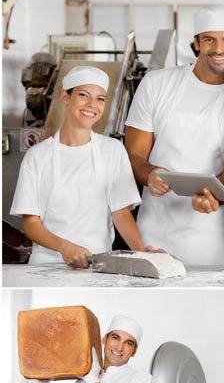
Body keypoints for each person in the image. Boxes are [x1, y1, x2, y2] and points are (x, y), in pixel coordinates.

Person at [125, 6, 224, 267]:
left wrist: (214, 197)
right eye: (209, 39)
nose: (219, 49)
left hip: (211, 236)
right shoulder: (156, 84)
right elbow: (133, 155)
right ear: (197, 43)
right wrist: (149, 173)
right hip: (155, 230)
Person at [10, 66, 160, 269]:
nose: (92, 105)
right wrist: (64, 247)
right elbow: (31, 224)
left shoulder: (113, 151)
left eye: (100, 98)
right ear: (65, 97)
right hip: (45, 268)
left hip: (98, 265)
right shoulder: (37, 157)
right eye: (83, 95)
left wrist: (142, 252)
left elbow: (121, 213)